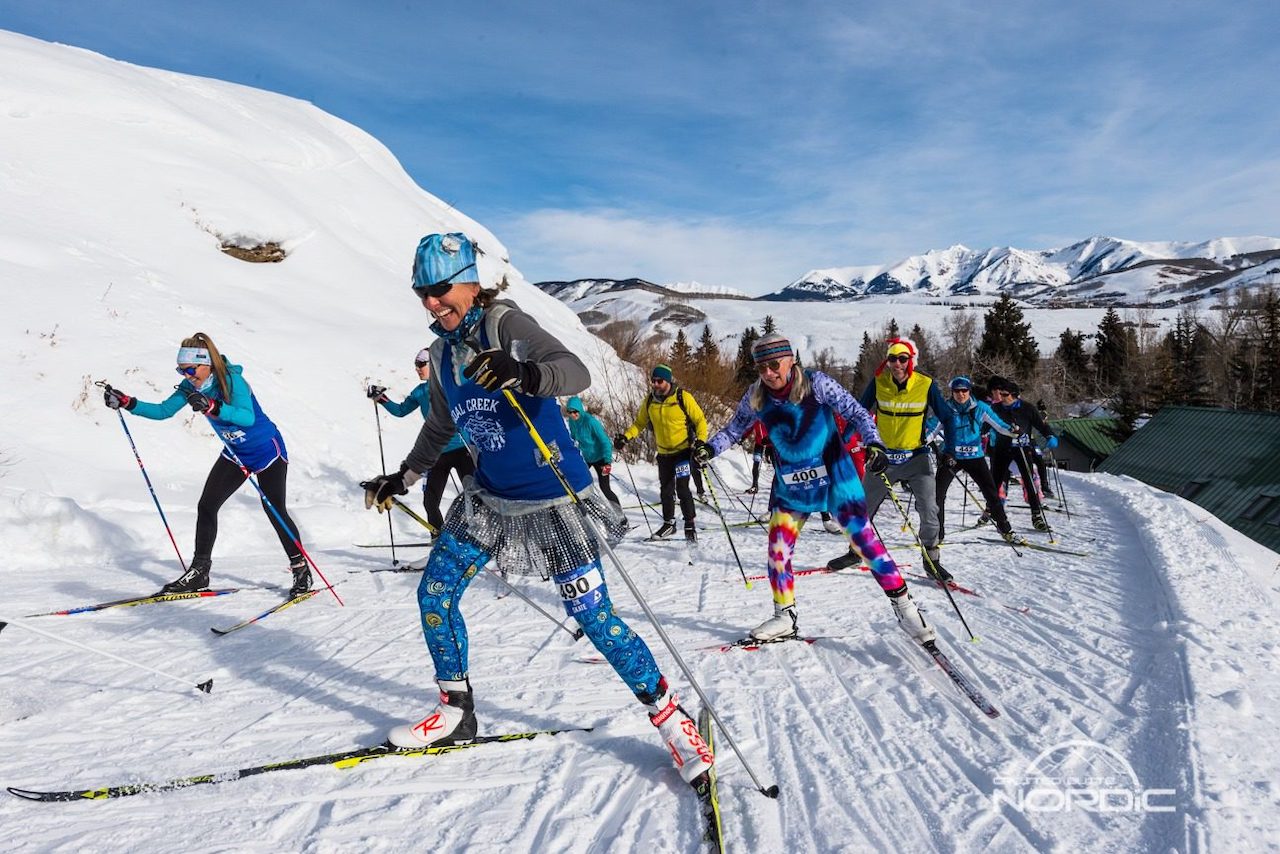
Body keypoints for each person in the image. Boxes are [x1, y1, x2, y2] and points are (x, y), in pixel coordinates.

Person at [359, 232, 712, 785]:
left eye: (440, 288)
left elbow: (574, 371)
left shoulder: (505, 324)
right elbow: (441, 424)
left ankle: (671, 719)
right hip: (488, 501)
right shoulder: (444, 353)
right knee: (435, 594)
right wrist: (402, 478)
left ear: (470, 284)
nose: (430, 301)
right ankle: (456, 711)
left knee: (594, 618)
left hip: (555, 503)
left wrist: (524, 374)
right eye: (421, 291)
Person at [694, 333, 934, 643]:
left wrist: (874, 443)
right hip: (792, 485)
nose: (768, 373)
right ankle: (785, 616)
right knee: (778, 549)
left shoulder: (816, 383)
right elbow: (733, 430)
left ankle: (906, 608)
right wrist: (709, 449)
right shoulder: (755, 395)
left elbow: (858, 413)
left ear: (790, 360)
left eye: (774, 365)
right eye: (761, 367)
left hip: (835, 477)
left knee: (864, 542)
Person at [102, 332, 310, 598]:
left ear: (206, 364)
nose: (187, 375)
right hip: (235, 453)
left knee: (274, 509)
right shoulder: (190, 387)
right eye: (181, 370)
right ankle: (200, 572)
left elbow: (246, 418)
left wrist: (214, 406)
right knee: (207, 505)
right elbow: (163, 411)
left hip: (267, 451)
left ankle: (301, 569)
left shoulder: (231, 381)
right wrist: (127, 403)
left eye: (190, 369)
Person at [828, 338, 953, 581]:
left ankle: (932, 560)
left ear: (910, 361)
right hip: (883, 458)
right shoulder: (879, 382)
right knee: (862, 508)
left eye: (902, 359)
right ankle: (855, 552)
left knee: (929, 508)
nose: (897, 364)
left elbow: (947, 416)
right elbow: (859, 412)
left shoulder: (925, 384)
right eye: (892, 359)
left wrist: (950, 449)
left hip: (916, 458)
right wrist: (843, 440)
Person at [367, 349, 474, 542]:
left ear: (433, 363)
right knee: (430, 501)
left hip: (462, 448)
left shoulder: (452, 382)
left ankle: (478, 538)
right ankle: (438, 539)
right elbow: (401, 411)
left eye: (421, 364)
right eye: (416, 365)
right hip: (437, 452)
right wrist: (381, 398)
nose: (417, 369)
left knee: (474, 496)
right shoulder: (420, 391)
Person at [615, 365, 709, 542]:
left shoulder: (682, 397)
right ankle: (669, 524)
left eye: (659, 381)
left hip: (682, 452)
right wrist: (625, 437)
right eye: (653, 381)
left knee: (682, 488)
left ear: (668, 380)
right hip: (664, 454)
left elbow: (700, 420)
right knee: (666, 490)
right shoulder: (650, 401)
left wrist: (701, 441)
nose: (655, 384)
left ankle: (690, 524)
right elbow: (639, 423)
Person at [936, 376, 1018, 545]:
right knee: (937, 494)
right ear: (952, 392)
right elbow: (932, 428)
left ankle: (1006, 530)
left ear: (969, 391)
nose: (961, 394)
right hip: (951, 456)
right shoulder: (945, 408)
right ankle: (937, 533)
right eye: (957, 391)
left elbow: (999, 424)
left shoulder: (981, 407)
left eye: (964, 390)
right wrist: (920, 441)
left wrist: (1013, 431)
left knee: (991, 493)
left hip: (975, 457)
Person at [988, 379, 1058, 531]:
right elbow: (984, 426)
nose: (1001, 397)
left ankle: (1036, 515)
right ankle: (991, 509)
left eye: (1004, 394)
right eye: (1000, 393)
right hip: (1002, 449)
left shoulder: (1027, 408)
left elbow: (1041, 425)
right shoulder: (995, 408)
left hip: (1022, 448)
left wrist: (1050, 436)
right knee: (995, 481)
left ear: (1014, 395)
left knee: (1029, 481)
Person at [563, 396, 621, 511]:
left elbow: (605, 441)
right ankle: (590, 511)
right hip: (587, 459)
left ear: (580, 410)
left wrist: (607, 461)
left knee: (605, 488)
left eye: (575, 411)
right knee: (579, 483)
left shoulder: (591, 422)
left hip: (601, 459)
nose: (573, 414)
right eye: (570, 412)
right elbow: (573, 438)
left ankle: (620, 516)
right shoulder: (572, 422)